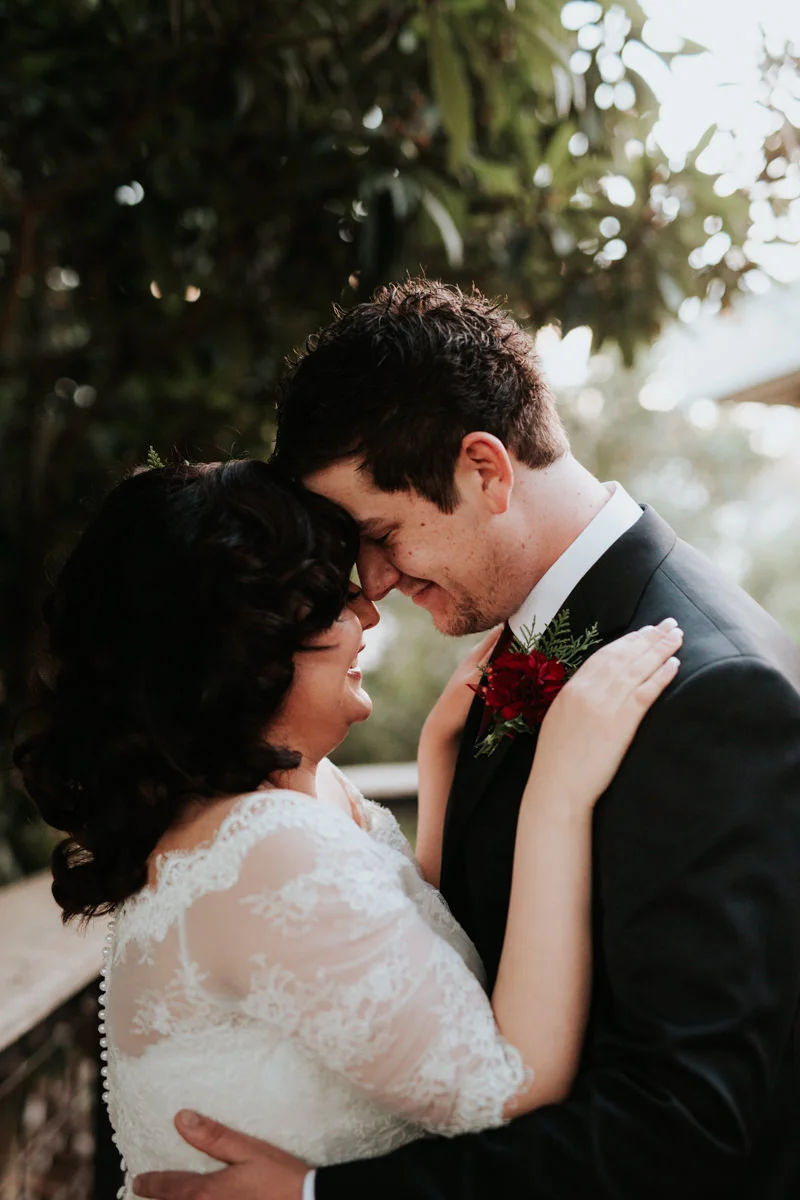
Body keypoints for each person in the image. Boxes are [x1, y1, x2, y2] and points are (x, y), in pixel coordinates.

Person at [134, 278, 800, 1200]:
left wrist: (316, 1196)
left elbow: (684, 1125)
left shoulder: (710, 696)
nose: (370, 581)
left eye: (380, 532)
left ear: (484, 470)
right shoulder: (525, 643)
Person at [14, 458, 681, 1200]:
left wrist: (438, 761)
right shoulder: (267, 848)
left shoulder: (299, 793)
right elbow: (508, 1088)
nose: (368, 614)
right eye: (331, 599)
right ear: (245, 644)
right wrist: (558, 790)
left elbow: (398, 962)